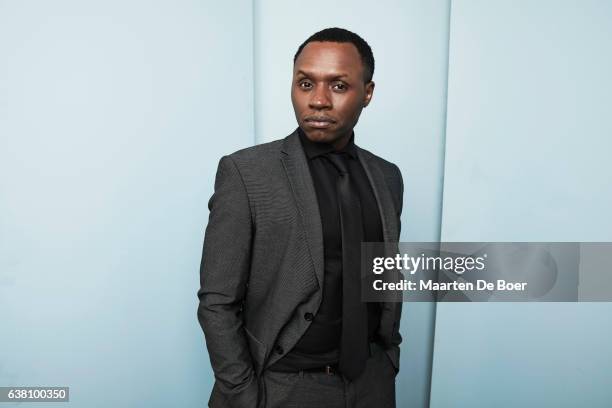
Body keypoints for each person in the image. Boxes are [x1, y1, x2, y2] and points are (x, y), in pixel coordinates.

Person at [197, 27, 404, 408]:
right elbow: (217, 301)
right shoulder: (247, 173)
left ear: (368, 93)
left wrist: (388, 359)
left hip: (371, 383)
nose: (319, 101)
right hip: (282, 386)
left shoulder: (387, 177)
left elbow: (380, 274)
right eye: (306, 84)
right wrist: (244, 393)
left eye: (339, 86)